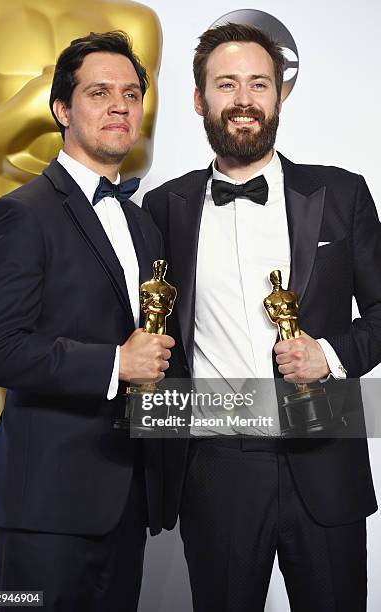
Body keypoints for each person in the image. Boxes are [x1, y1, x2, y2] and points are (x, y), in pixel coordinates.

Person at [143, 22, 380, 612]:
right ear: (200, 99)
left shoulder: (342, 194)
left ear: (280, 95)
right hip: (218, 469)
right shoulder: (163, 206)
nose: (244, 100)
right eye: (226, 84)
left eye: (259, 84)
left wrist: (328, 354)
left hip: (326, 455)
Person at [0, 31, 174, 611]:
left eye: (132, 94)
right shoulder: (20, 212)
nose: (120, 106)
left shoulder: (144, 226)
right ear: (62, 109)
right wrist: (114, 363)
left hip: (126, 504)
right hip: (40, 512)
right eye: (99, 92)